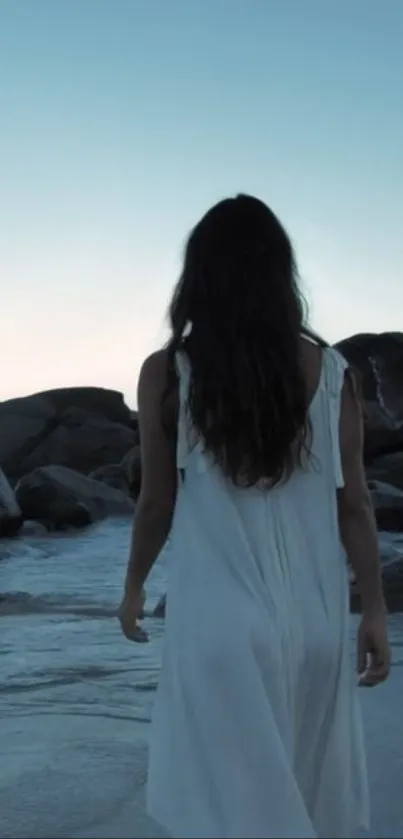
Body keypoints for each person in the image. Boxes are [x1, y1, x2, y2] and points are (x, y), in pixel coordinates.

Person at [119, 195, 390, 839]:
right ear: (280, 274)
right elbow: (353, 501)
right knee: (299, 798)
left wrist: (132, 589)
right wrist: (374, 608)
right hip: (316, 621)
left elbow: (157, 502)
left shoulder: (169, 373)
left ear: (199, 275)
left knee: (233, 814)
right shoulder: (332, 373)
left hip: (219, 622)